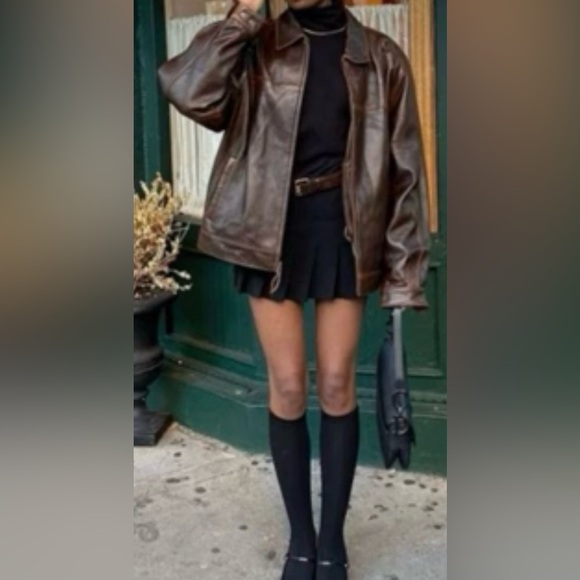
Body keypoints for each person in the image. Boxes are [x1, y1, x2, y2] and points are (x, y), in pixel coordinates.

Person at [158, 0, 429, 578]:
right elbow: (188, 91)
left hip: (344, 230)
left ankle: (332, 543)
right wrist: (241, 18)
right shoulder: (256, 47)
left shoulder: (382, 58)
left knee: (335, 382)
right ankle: (301, 541)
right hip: (269, 230)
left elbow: (406, 177)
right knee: (285, 385)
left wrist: (404, 279)